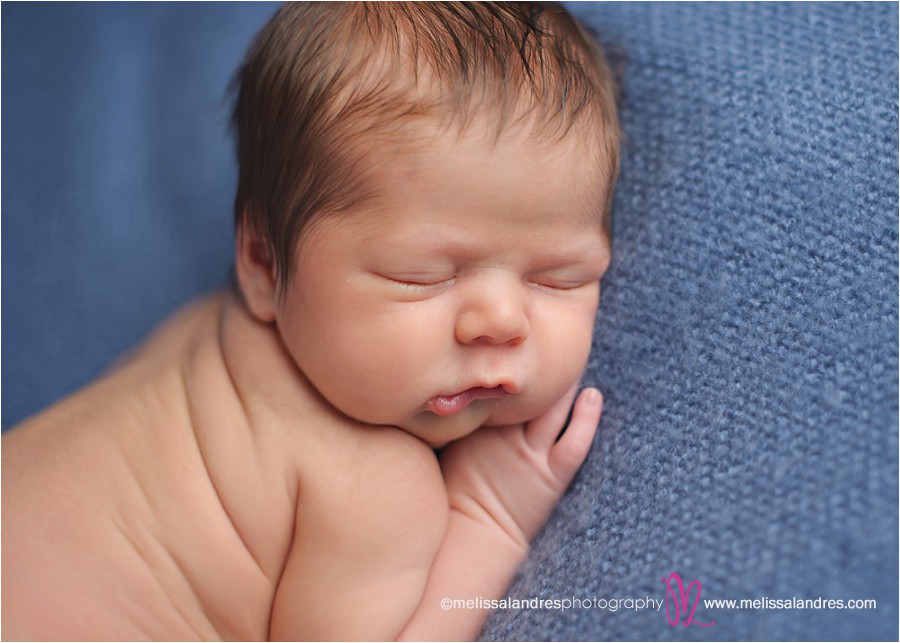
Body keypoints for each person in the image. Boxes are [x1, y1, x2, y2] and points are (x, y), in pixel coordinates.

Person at [2, 2, 620, 640]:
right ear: (265, 263)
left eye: (559, 277)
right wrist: (490, 515)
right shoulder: (374, 487)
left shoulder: (198, 331)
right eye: (421, 276)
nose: (500, 322)